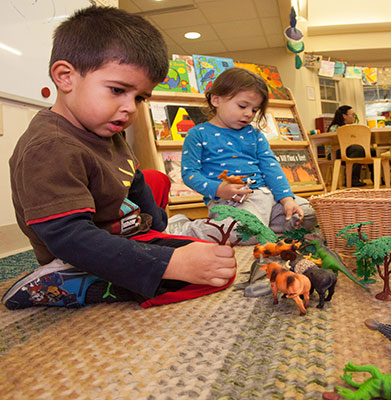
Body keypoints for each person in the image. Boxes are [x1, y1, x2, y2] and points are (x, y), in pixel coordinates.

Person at [2, 6, 237, 310]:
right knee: (196, 275)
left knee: (212, 257)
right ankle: (62, 284)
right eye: (117, 90)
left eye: (139, 97)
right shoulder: (50, 146)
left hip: (124, 234)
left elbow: (134, 177)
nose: (130, 108)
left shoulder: (107, 130)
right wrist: (168, 264)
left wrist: (158, 226)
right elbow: (70, 237)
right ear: (65, 77)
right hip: (77, 252)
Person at [170, 67, 316, 243]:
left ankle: (259, 225)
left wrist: (287, 200)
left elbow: (271, 168)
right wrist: (219, 190)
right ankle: (185, 227)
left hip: (267, 197)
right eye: (242, 106)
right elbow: (189, 174)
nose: (249, 114)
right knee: (244, 231)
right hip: (231, 202)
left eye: (255, 110)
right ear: (216, 99)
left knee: (307, 214)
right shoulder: (197, 134)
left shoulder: (255, 134)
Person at [328, 105, 375, 187]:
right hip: (335, 153)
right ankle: (352, 179)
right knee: (357, 150)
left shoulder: (353, 128)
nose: (354, 117)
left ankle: (375, 178)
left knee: (371, 151)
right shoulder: (335, 128)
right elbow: (336, 143)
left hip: (351, 151)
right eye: (352, 115)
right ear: (344, 116)